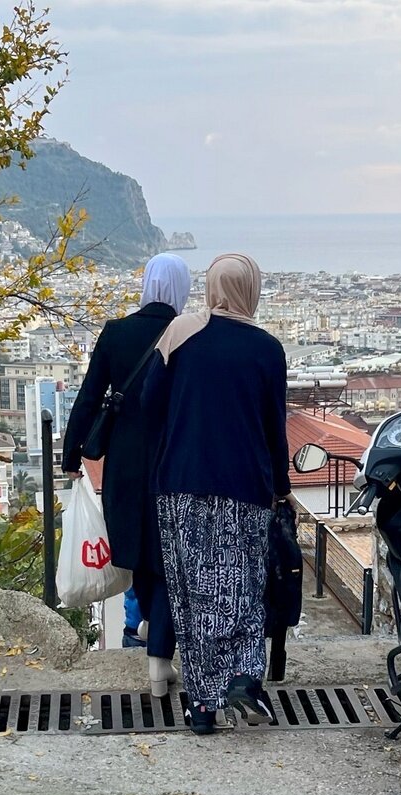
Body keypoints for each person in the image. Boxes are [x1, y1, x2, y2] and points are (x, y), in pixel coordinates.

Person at [144, 253, 290, 735]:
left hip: (183, 480)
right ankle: (245, 678)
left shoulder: (181, 335)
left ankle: (203, 705)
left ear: (211, 287)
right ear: (251, 288)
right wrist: (282, 490)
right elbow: (274, 429)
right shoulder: (267, 349)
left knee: (193, 591)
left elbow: (150, 404)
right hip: (247, 485)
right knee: (244, 585)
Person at [61, 253, 189, 696]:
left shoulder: (116, 333)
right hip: (176, 462)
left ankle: (154, 642)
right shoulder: (189, 333)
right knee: (169, 554)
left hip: (125, 465)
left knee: (136, 551)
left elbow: (89, 397)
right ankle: (159, 652)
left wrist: (70, 455)